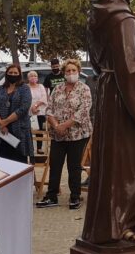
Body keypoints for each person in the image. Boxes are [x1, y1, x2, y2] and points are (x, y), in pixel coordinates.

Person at [81, 0, 135, 243]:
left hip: (107, 93)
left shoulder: (96, 15)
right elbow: (132, 68)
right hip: (125, 98)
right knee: (127, 163)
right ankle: (122, 225)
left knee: (109, 163)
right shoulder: (122, 17)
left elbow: (100, 61)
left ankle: (103, 226)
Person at [38, 59, 93, 209]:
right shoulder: (57, 89)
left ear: (78, 71)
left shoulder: (84, 89)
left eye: (73, 70)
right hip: (58, 135)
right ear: (63, 73)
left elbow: (83, 111)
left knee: (74, 166)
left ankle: (75, 196)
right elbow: (49, 109)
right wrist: (56, 125)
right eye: (68, 71)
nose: (70, 73)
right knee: (55, 164)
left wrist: (65, 125)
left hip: (77, 134)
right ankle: (51, 196)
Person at [0, 63, 33, 163]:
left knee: (18, 163)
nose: (13, 74)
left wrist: (5, 122)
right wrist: (0, 123)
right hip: (0, 132)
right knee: (0, 162)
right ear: (6, 74)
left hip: (18, 132)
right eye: (10, 72)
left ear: (19, 74)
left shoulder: (25, 88)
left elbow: (23, 108)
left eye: (15, 73)